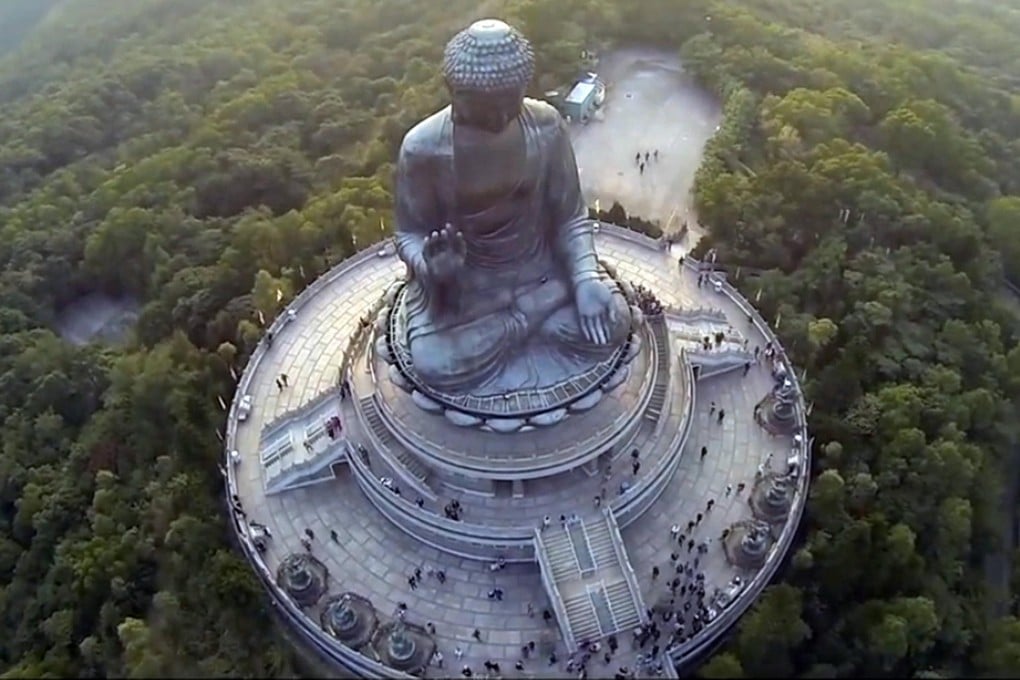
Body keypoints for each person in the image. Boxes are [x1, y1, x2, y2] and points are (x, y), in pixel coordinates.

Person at [393, 19, 632, 396]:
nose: (503, 118)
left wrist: (586, 278)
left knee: (615, 319)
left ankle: (526, 317)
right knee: (434, 363)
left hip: (537, 270)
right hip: (468, 291)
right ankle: (537, 314)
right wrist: (432, 267)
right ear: (453, 91)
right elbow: (408, 232)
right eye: (487, 110)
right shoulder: (423, 149)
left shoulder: (546, 126)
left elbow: (570, 216)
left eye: (512, 104)